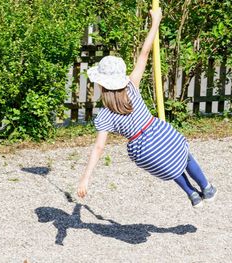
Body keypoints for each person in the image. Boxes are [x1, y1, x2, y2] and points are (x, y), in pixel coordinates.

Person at [77, 8, 217, 207]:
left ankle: (191, 194)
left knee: (170, 166)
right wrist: (155, 22)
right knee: (183, 156)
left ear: (100, 84)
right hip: (156, 131)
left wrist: (85, 178)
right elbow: (144, 54)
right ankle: (206, 188)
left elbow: (99, 148)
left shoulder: (105, 116)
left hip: (143, 151)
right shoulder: (131, 87)